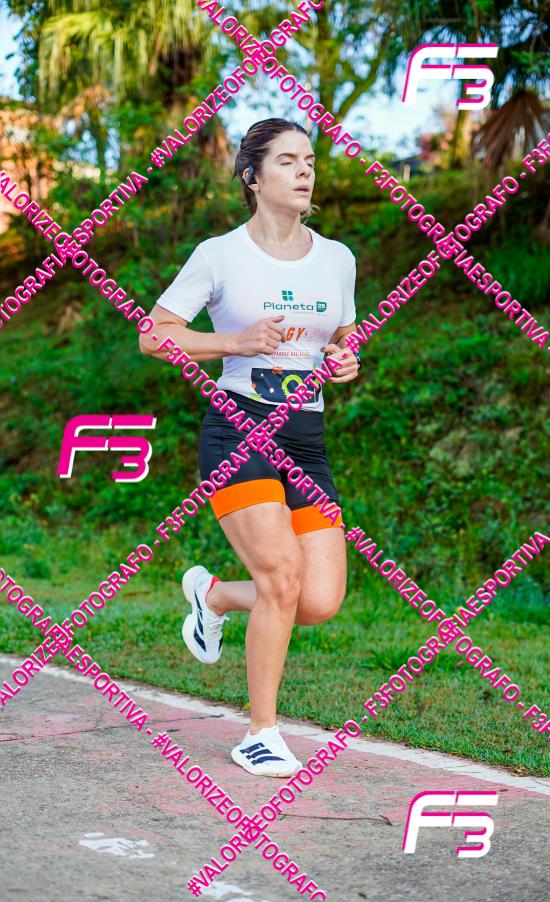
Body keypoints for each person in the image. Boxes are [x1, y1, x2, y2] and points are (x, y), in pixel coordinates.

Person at [140, 117, 360, 777]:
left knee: (317, 600)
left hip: (306, 439)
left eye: (309, 160)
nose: (304, 171)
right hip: (240, 428)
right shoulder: (219, 255)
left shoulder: (337, 258)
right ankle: (260, 733)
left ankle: (213, 597)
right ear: (252, 177)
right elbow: (154, 335)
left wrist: (346, 360)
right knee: (282, 577)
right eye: (287, 160)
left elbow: (342, 337)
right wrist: (233, 343)